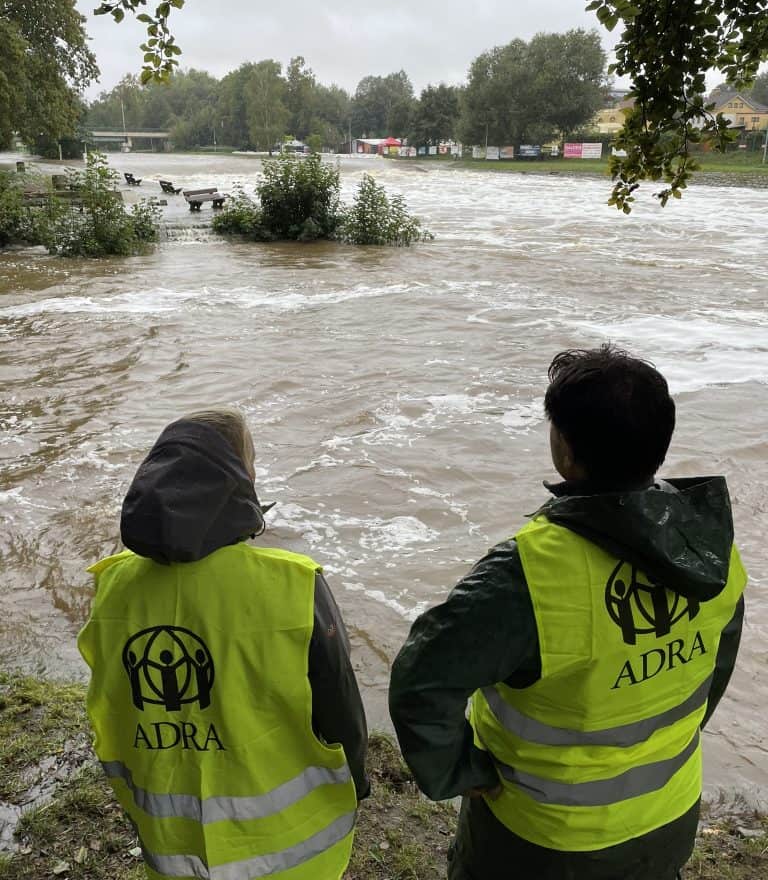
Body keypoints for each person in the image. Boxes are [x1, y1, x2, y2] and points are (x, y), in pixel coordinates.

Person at [389, 345, 746, 880]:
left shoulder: (525, 576)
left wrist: (463, 772)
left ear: (565, 451)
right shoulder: (710, 548)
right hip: (668, 815)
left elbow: (422, 686)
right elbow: (713, 675)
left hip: (542, 838)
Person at [78, 409, 368, 880]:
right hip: (292, 853)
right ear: (243, 480)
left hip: (171, 846)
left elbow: (112, 702)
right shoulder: (294, 585)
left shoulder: (111, 587)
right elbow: (339, 708)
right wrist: (358, 784)